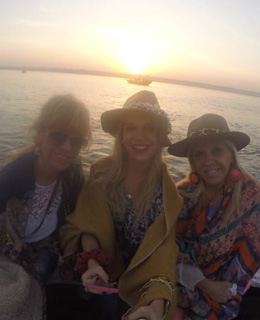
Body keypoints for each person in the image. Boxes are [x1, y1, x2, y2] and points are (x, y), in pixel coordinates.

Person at [60, 90, 183, 320]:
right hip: (100, 274)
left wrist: (156, 303)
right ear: (121, 135)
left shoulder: (168, 194)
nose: (140, 136)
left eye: (149, 128)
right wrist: (93, 263)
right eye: (131, 128)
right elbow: (87, 225)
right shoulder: (101, 172)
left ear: (159, 138)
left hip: (141, 281)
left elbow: (163, 253)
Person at [167, 113, 260, 320]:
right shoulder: (179, 195)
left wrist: (217, 290)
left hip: (226, 292)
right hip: (181, 281)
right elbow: (170, 249)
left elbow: (247, 257)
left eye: (217, 150)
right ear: (192, 161)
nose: (209, 161)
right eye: (199, 154)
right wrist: (203, 284)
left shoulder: (252, 197)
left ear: (231, 155)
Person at [0, 94, 91, 285]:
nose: (67, 147)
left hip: (46, 257)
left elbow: (81, 221)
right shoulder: (12, 176)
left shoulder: (72, 177)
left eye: (76, 141)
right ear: (39, 134)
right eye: (58, 136)